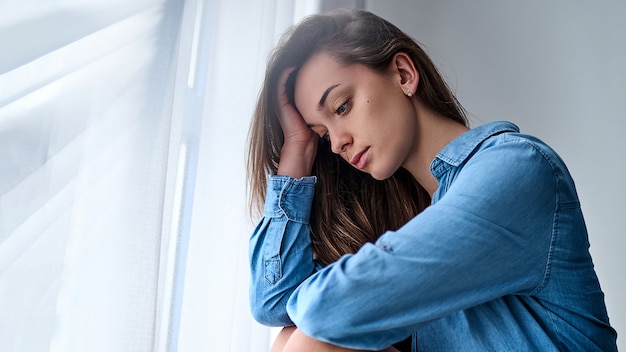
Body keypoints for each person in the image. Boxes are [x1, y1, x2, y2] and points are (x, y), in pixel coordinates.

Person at [247, 9, 617, 352]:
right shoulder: (417, 218)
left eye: (342, 107)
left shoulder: (515, 168)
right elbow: (273, 303)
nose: (338, 141)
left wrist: (321, 301)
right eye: (323, 135)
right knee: (292, 338)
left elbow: (321, 314)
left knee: (309, 339)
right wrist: (297, 154)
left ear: (404, 74)